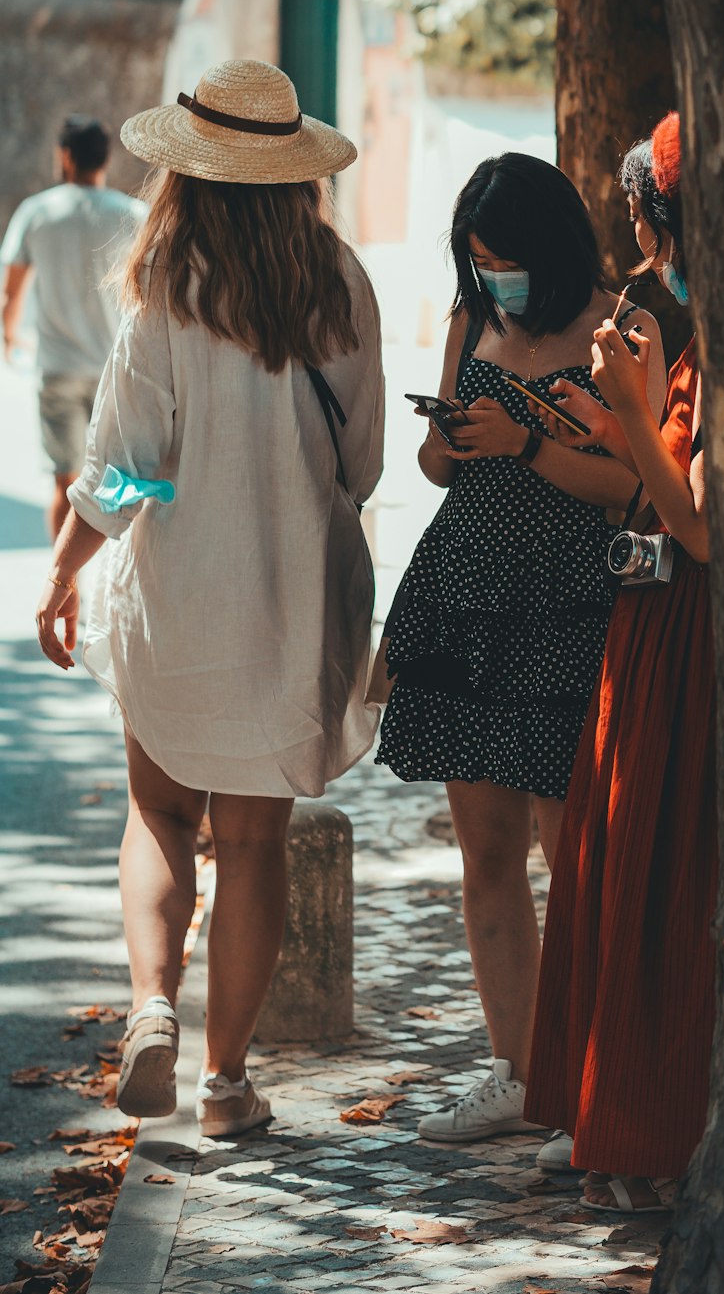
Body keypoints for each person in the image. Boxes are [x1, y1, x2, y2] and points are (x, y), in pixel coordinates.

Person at [33, 60, 385, 1139]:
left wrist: (63, 565)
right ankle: (228, 1086)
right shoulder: (341, 282)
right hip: (292, 604)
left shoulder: (165, 286)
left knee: (160, 812)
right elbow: (360, 466)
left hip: (180, 598)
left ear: (190, 172)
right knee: (258, 841)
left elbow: (129, 467)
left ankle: (150, 1009)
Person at [376, 152, 666, 1143]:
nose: (487, 273)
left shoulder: (617, 328)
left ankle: (587, 1081)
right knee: (486, 850)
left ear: (547, 249)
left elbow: (638, 488)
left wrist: (531, 444)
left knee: (570, 851)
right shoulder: (473, 323)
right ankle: (516, 1069)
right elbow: (434, 467)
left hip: (571, 605)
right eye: (474, 257)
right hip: (468, 596)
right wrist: (451, 439)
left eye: (500, 257)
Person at [524, 113, 717, 1213]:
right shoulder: (701, 332)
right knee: (617, 865)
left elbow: (697, 525)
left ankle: (644, 1132)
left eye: (643, 221)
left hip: (683, 643)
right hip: (649, 635)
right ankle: (612, 1115)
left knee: (656, 879)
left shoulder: (723, 341)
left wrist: (633, 418)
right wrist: (625, 418)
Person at [1, 117, 147, 540]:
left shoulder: (37, 212)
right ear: (105, 159)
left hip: (57, 370)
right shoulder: (134, 215)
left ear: (65, 156)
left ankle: (67, 588)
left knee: (65, 486)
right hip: (114, 371)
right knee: (117, 490)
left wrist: (9, 339)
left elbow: (11, 294)